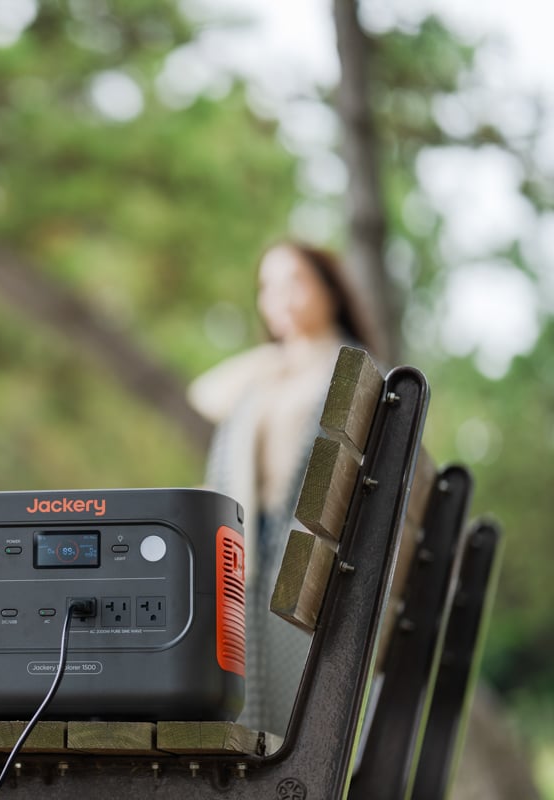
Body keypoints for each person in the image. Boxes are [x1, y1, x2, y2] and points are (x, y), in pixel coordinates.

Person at [188, 241, 381, 738]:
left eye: (295, 281)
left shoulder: (345, 373)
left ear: (331, 292)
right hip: (260, 563)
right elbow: (203, 393)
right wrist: (274, 356)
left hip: (303, 567)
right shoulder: (273, 374)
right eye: (267, 287)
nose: (279, 297)